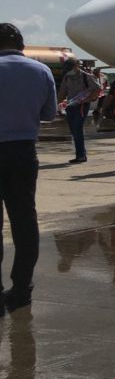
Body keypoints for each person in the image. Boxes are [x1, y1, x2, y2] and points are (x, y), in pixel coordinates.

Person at [0, 23, 57, 314]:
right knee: (24, 220)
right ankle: (22, 289)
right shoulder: (41, 71)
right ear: (21, 44)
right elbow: (49, 113)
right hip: (23, 152)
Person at [57, 58, 101, 163]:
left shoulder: (86, 76)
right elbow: (62, 92)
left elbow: (97, 88)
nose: (68, 71)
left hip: (82, 106)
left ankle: (81, 155)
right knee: (73, 130)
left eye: (70, 68)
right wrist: (58, 105)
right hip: (70, 106)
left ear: (76, 66)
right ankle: (80, 154)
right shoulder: (67, 77)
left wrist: (88, 99)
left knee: (77, 129)